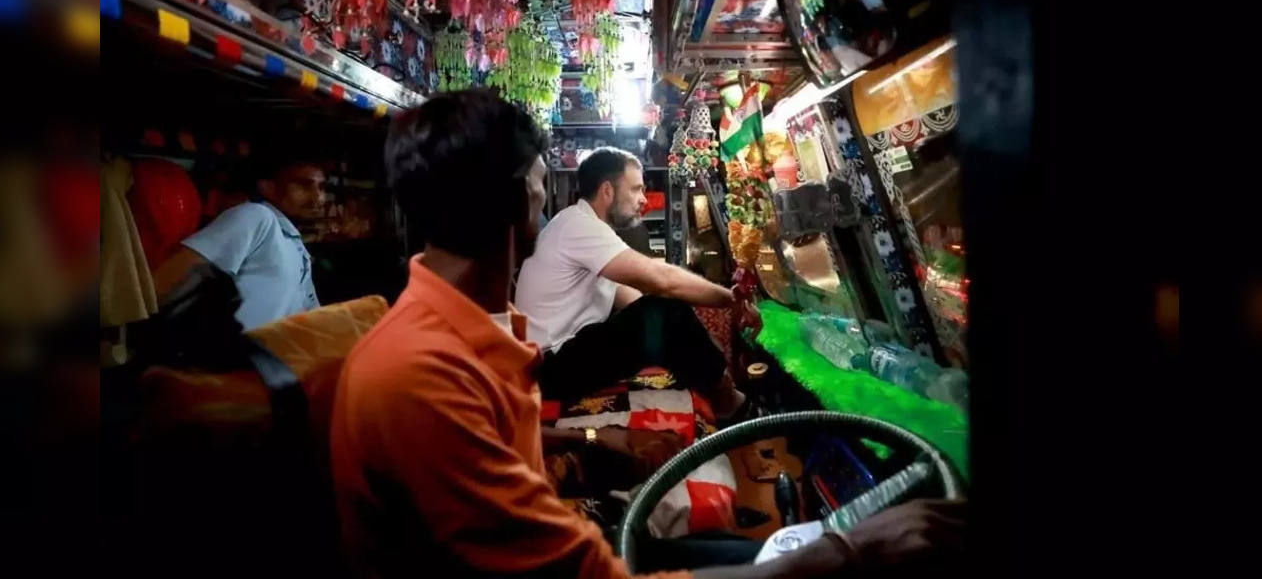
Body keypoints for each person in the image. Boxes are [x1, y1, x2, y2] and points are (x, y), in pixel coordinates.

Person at [329, 89, 963, 578]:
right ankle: (748, 412)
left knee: (743, 547)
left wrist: (606, 448)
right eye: (539, 175)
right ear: (522, 193)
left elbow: (501, 430)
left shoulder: (448, 327)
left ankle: (748, 416)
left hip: (562, 518)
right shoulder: (421, 375)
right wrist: (850, 549)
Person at [515, 147, 755, 421]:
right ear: (607, 191)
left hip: (560, 359)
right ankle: (734, 407)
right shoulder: (577, 226)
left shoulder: (585, 230)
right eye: (636, 189)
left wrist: (695, 335)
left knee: (666, 313)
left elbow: (632, 300)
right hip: (549, 368)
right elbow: (660, 281)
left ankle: (722, 396)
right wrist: (731, 299)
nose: (643, 199)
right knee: (666, 310)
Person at [152, 155, 325, 330]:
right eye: (302, 186)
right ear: (268, 188)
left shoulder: (294, 243)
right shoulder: (257, 217)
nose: (318, 198)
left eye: (321, 187)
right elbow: (170, 277)